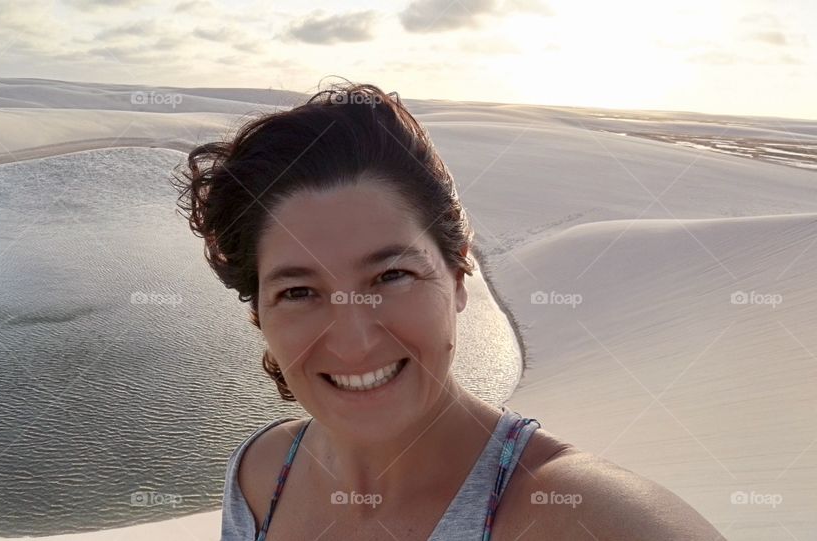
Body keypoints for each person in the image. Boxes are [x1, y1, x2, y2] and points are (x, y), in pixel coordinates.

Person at [173, 81, 724, 540]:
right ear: (260, 314)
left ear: (460, 275)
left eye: (392, 276)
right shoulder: (260, 474)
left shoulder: (579, 516)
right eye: (298, 292)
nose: (354, 339)